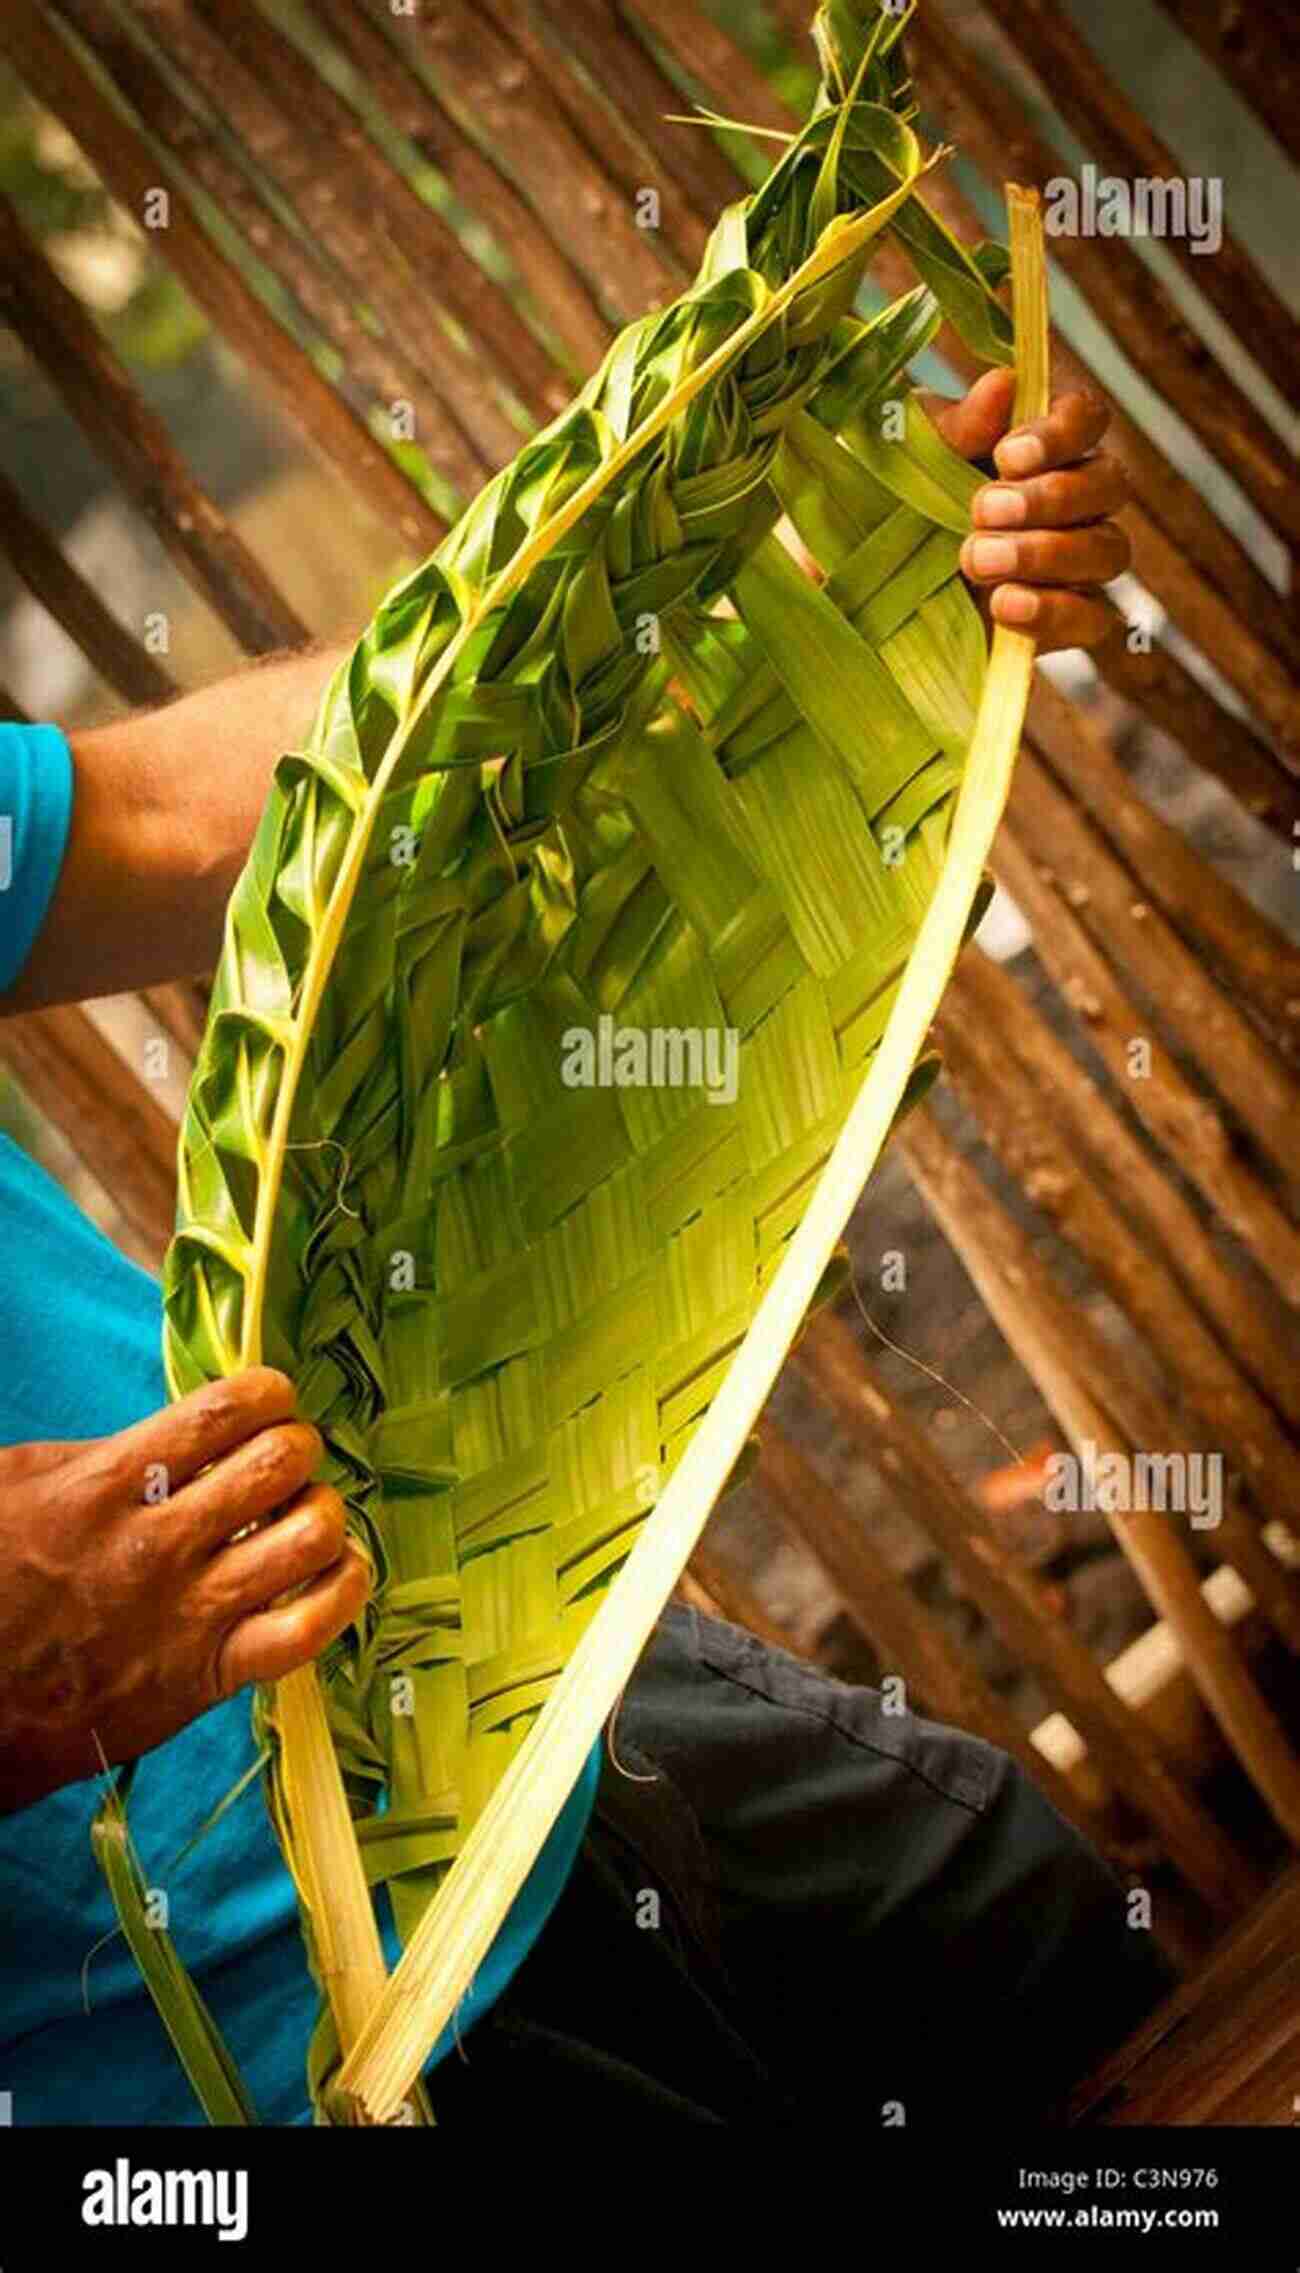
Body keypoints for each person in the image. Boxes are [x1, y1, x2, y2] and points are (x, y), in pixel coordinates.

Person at [0, 376, 1168, 2125]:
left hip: (478, 1700)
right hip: (242, 2076)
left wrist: (760, 575)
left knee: (1038, 1957)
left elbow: (155, 820)